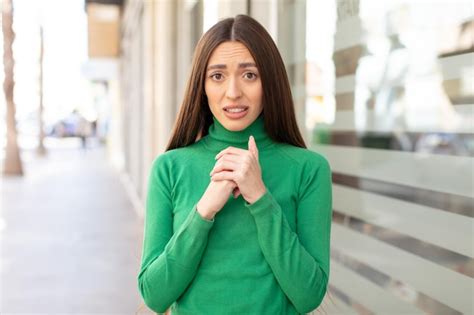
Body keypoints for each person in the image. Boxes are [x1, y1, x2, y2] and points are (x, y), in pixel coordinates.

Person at [138, 14, 332, 314]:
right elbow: (154, 295)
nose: (233, 92)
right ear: (201, 86)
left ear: (270, 82)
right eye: (217, 76)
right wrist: (203, 211)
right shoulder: (169, 168)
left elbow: (309, 296)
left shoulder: (308, 169)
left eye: (249, 75)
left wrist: (260, 198)